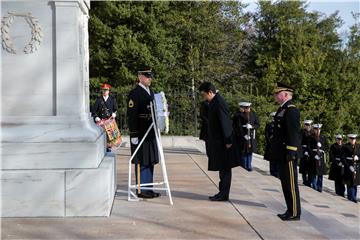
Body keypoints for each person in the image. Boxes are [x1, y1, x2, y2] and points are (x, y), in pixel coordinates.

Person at [198, 82, 240, 201]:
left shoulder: (219, 102)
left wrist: (228, 140)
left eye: (204, 95)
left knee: (225, 168)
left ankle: (224, 194)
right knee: (222, 169)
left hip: (223, 142)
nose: (204, 97)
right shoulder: (214, 102)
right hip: (218, 142)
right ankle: (222, 192)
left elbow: (225, 122)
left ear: (210, 92)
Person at [127, 68, 161, 199]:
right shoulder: (135, 93)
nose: (149, 78)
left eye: (150, 76)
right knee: (141, 160)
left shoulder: (150, 91)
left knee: (150, 160)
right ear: (140, 77)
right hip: (140, 132)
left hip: (150, 131)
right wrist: (134, 134)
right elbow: (132, 115)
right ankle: (141, 190)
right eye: (147, 76)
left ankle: (149, 188)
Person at [271, 82, 301, 221]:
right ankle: (289, 209)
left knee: (291, 185)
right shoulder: (283, 109)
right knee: (285, 184)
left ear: (285, 94)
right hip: (282, 152)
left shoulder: (291, 110)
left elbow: (293, 133)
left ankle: (294, 212)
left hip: (288, 153)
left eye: (278, 93)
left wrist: (291, 150)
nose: (276, 96)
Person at [233, 102, 260, 171]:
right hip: (243, 136)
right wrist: (243, 135)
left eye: (248, 108)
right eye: (245, 108)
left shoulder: (253, 114)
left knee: (250, 151)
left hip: (251, 136)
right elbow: (237, 127)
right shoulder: (239, 115)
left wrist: (252, 126)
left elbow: (257, 124)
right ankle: (244, 166)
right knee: (244, 151)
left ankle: (249, 166)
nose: (247, 109)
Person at [91, 83, 118, 152]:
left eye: (106, 90)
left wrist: (114, 114)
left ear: (108, 91)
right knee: (102, 137)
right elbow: (93, 111)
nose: (105, 91)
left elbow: (115, 109)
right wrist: (96, 117)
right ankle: (102, 149)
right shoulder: (99, 100)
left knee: (110, 138)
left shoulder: (112, 99)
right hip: (101, 122)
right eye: (103, 90)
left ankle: (108, 149)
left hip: (109, 121)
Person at [308, 124, 328, 192]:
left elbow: (327, 147)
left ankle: (320, 187)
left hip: (321, 156)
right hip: (314, 155)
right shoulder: (311, 137)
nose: (317, 130)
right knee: (313, 172)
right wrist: (313, 155)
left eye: (319, 129)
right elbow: (309, 147)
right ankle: (314, 185)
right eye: (316, 129)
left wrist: (322, 147)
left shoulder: (323, 137)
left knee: (320, 173)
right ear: (314, 129)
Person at [342, 134, 360, 203]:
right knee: (349, 183)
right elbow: (343, 157)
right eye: (351, 139)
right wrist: (348, 166)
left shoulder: (358, 146)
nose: (353, 140)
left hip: (356, 167)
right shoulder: (345, 146)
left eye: (354, 139)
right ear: (349, 139)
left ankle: (354, 197)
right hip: (348, 166)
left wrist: (358, 158)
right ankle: (351, 197)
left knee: (355, 183)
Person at [264, 112, 278, 177]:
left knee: (277, 159)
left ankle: (277, 172)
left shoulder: (279, 125)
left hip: (278, 145)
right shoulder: (269, 125)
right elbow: (266, 134)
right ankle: (272, 171)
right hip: (271, 144)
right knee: (272, 159)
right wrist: (270, 142)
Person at [299, 120, 313, 186]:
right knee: (304, 166)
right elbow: (300, 142)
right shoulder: (302, 132)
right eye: (306, 125)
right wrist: (303, 151)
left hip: (311, 151)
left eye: (309, 125)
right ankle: (304, 180)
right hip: (304, 149)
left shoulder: (312, 132)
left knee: (310, 167)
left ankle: (309, 181)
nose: (308, 126)